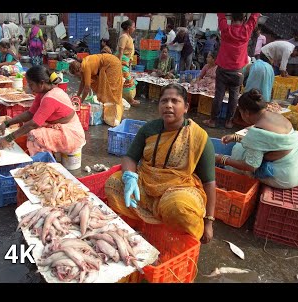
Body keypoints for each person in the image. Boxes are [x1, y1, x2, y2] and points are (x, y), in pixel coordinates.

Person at [104, 83, 216, 243]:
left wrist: (209, 222)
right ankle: (139, 227)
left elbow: (209, 182)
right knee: (113, 185)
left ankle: (177, 238)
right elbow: (130, 157)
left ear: (186, 107)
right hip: (145, 184)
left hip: (179, 188)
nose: (168, 105)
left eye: (175, 101)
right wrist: (130, 177)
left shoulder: (198, 137)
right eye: (164, 101)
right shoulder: (149, 129)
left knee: (179, 208)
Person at [217, 89, 298, 189]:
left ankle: (233, 183)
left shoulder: (257, 132)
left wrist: (222, 159)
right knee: (241, 146)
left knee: (239, 151)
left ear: (246, 112)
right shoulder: (278, 117)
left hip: (287, 177)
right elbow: (267, 142)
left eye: (240, 112)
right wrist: (235, 137)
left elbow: (251, 166)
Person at [0, 66, 86, 156]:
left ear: (41, 83)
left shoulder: (50, 97)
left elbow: (33, 124)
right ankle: (46, 154)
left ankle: (42, 162)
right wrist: (7, 123)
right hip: (61, 128)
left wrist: (8, 138)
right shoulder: (43, 92)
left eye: (31, 84)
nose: (29, 88)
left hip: (72, 135)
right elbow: (30, 113)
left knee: (34, 135)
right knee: (28, 127)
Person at [204, 13, 260, 129]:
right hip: (237, 71)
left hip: (223, 69)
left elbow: (221, 16)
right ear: (243, 19)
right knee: (234, 97)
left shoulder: (225, 29)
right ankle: (229, 122)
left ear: (231, 19)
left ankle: (213, 120)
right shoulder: (246, 30)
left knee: (219, 95)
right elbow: (254, 18)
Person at [69, 54, 123, 127]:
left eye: (76, 74)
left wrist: (81, 101)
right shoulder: (83, 65)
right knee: (104, 89)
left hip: (112, 64)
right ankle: (108, 114)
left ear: (78, 70)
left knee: (111, 91)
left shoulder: (86, 66)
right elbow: (83, 82)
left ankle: (115, 117)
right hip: (108, 63)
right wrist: (78, 96)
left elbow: (87, 87)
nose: (77, 76)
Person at [116, 19, 139, 106]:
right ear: (129, 28)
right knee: (127, 81)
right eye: (133, 27)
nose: (134, 28)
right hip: (122, 62)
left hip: (126, 62)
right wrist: (119, 64)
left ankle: (125, 99)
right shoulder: (124, 37)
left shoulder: (129, 37)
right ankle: (130, 100)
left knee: (125, 81)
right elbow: (121, 51)